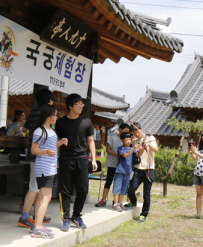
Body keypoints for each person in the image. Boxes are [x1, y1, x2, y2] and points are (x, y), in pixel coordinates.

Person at [56, 93, 98, 231]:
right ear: (70, 106)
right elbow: (55, 142)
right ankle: (66, 218)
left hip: (82, 158)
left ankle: (76, 215)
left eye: (82, 104)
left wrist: (93, 158)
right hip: (66, 158)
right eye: (77, 104)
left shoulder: (86, 122)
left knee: (83, 190)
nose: (81, 106)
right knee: (65, 190)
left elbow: (90, 140)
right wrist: (56, 157)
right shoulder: (61, 122)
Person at [17, 89, 54, 228]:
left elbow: (25, 129)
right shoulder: (48, 113)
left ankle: (39, 214)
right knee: (34, 187)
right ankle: (24, 216)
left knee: (39, 187)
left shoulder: (33, 113)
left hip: (34, 153)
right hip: (41, 155)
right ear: (50, 101)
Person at [30, 105, 68, 238]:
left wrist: (61, 142)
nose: (57, 117)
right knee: (46, 197)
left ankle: (37, 225)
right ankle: (37, 228)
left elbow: (51, 147)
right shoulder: (39, 131)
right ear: (48, 116)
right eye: (55, 114)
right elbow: (34, 150)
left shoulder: (50, 130)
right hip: (44, 167)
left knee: (42, 197)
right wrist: (46, 152)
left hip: (50, 167)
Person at [125, 122, 157, 223]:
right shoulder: (134, 141)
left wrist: (148, 145)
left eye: (137, 131)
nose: (136, 134)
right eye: (134, 132)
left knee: (146, 194)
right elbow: (138, 155)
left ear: (141, 129)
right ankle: (133, 203)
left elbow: (155, 150)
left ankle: (143, 214)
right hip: (138, 169)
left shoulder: (150, 138)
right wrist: (142, 148)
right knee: (131, 190)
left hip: (149, 169)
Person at [95, 123, 130, 207]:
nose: (126, 133)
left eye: (127, 131)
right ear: (120, 130)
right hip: (112, 164)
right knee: (108, 181)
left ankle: (116, 201)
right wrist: (116, 154)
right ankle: (103, 200)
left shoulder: (127, 141)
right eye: (125, 131)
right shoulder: (113, 138)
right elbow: (108, 149)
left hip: (121, 166)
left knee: (118, 183)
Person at [112, 132, 139, 212]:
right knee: (117, 187)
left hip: (128, 171)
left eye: (129, 139)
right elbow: (125, 155)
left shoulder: (131, 149)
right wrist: (133, 149)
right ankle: (115, 204)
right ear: (122, 140)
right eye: (126, 140)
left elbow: (138, 155)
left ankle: (120, 203)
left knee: (124, 188)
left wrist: (142, 149)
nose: (128, 141)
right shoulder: (121, 148)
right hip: (120, 171)